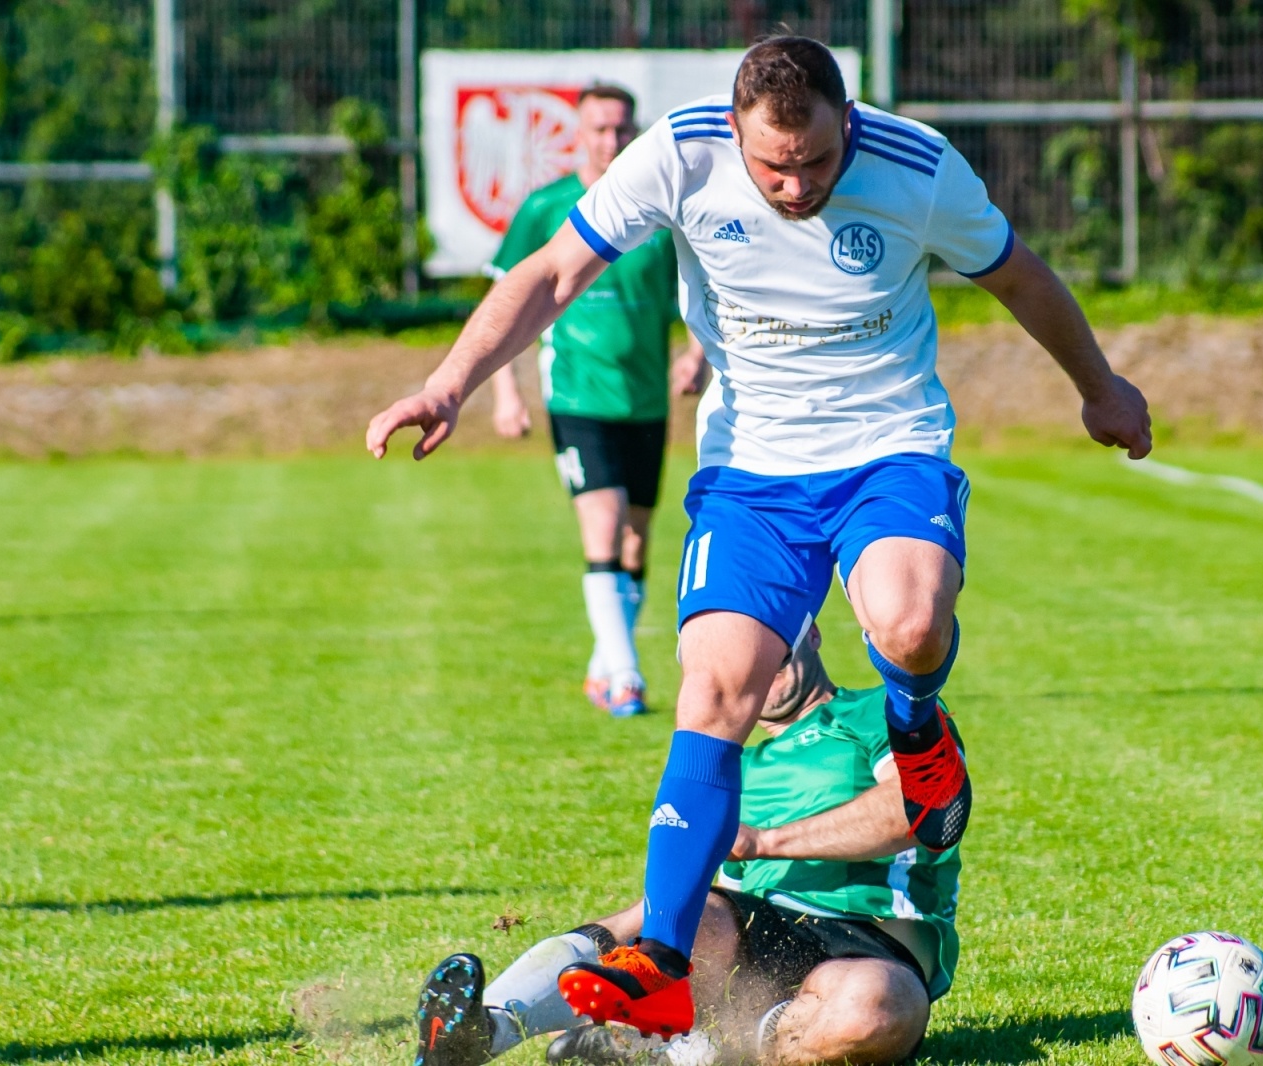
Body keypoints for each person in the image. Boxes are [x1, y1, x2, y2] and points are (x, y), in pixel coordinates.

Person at [368, 35, 1151, 1036]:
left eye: (815, 162)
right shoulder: (680, 154)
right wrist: (447, 384)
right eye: (770, 165)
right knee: (716, 686)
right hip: (750, 475)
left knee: (908, 625)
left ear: (849, 123)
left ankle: (920, 735)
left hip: (886, 449)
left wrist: (1100, 388)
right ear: (736, 131)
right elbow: (554, 272)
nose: (791, 185)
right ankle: (655, 960)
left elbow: (1020, 278)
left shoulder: (915, 166)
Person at [412, 625, 960, 1066]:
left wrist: (764, 841)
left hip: (873, 940)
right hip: (749, 927)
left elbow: (916, 812)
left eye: (773, 651)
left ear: (810, 634)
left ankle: (693, 1051)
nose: (758, 670)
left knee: (871, 1011)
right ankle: (484, 1030)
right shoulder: (720, 764)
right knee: (672, 916)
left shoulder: (882, 715)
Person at [486, 83, 708, 717]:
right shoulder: (547, 207)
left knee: (636, 544)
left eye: (620, 130)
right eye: (599, 130)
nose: (610, 141)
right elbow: (509, 300)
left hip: (645, 401)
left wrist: (693, 355)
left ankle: (603, 665)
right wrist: (507, 390)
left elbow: (691, 297)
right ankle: (627, 675)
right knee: (604, 526)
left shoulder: (656, 215)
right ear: (578, 134)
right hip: (578, 396)